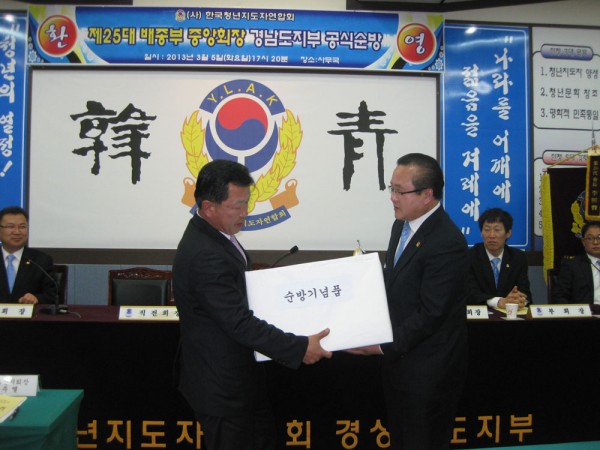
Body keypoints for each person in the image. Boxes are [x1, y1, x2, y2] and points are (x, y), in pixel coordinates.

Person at [172, 159, 332, 450]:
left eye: (247, 203)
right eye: (237, 206)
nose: (245, 213)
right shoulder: (205, 253)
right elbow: (238, 322)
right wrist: (299, 347)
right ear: (208, 207)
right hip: (222, 388)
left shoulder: (216, 235)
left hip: (239, 379)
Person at [348, 153, 469, 449]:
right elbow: (396, 286)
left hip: (428, 373)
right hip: (399, 366)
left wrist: (381, 346)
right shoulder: (401, 226)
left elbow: (431, 314)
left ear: (427, 194)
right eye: (391, 188)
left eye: (399, 191)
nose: (392, 197)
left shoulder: (447, 242)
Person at [466, 208, 531, 308]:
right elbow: (470, 293)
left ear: (508, 233)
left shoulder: (518, 258)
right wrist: (498, 302)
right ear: (481, 232)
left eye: (497, 230)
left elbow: (525, 292)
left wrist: (519, 300)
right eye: (487, 230)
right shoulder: (470, 257)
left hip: (510, 314)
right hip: (480, 315)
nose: (491, 235)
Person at [0, 206, 57, 304]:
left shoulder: (41, 260)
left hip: (29, 314)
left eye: (22, 227)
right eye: (10, 227)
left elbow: (52, 295)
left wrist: (36, 298)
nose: (17, 232)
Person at [551, 221, 600, 305]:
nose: (595, 242)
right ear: (583, 242)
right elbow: (560, 296)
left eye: (599, 237)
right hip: (586, 312)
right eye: (590, 238)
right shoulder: (572, 266)